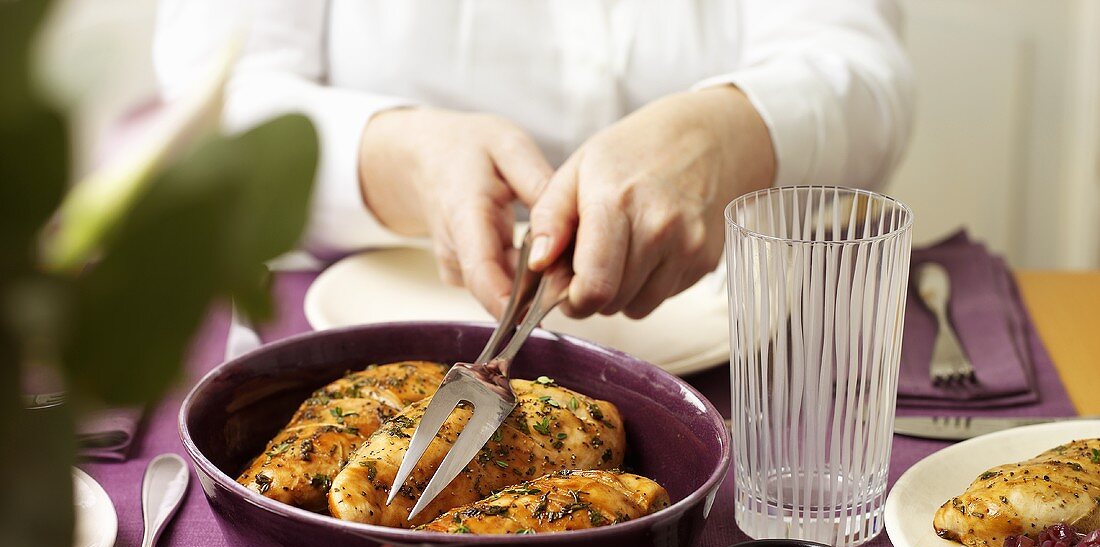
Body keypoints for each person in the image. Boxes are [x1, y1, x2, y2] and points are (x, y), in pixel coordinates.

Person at [153, 1, 913, 320]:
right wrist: (403, 159)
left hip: (736, 348)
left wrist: (727, 134)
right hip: (345, 321)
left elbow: (862, 67)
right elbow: (213, 100)